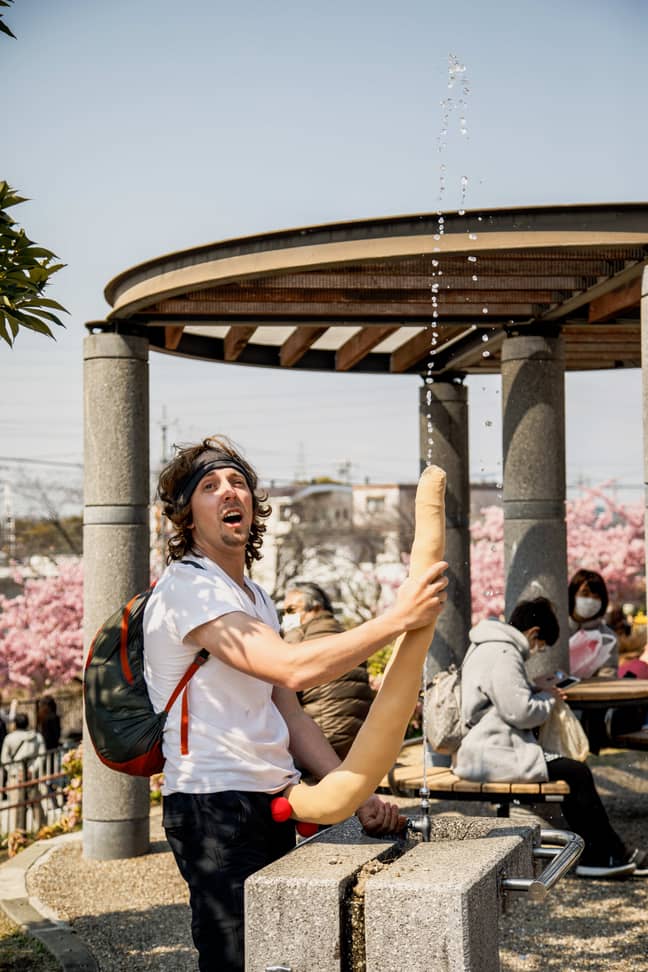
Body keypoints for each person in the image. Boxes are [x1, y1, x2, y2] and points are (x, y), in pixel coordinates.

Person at [143, 435, 447, 971]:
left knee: (289, 952)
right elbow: (293, 668)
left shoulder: (256, 596)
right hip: (212, 806)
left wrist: (352, 792)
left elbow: (290, 710)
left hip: (273, 800)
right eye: (209, 486)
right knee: (239, 960)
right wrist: (398, 618)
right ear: (187, 517)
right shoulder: (187, 587)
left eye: (237, 481)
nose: (227, 491)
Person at [453, 596, 646, 879]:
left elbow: (501, 698)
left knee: (572, 772)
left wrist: (534, 686)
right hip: (495, 753)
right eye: (540, 645)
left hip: (490, 749)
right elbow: (521, 712)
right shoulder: (504, 653)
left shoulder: (487, 646)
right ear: (533, 634)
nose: (538, 650)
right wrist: (548, 697)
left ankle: (603, 853)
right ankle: (605, 854)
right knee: (576, 772)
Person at [282, 581, 374, 761]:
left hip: (319, 743)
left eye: (291, 610)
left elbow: (284, 691)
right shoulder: (348, 635)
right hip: (356, 743)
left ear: (315, 608)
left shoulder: (298, 637)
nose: (286, 617)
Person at [0, 712, 47, 828]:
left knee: (17, 808)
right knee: (36, 806)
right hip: (32, 777)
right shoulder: (37, 736)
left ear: (15, 724)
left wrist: (15, 772)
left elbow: (4, 759)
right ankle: (43, 830)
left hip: (16, 777)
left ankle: (19, 835)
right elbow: (42, 756)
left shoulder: (9, 738)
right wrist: (32, 770)